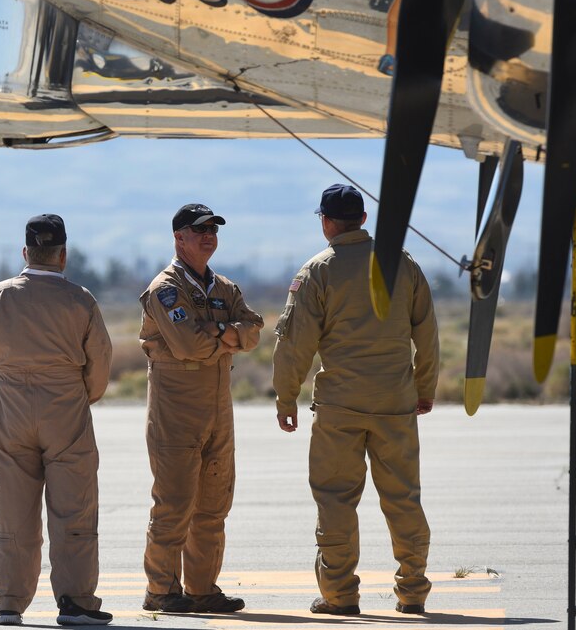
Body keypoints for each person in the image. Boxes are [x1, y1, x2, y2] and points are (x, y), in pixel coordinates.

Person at [272, 184, 439, 616]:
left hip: (340, 407)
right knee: (403, 497)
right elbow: (428, 335)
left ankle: (340, 595)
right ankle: (413, 591)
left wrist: (285, 398)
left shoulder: (318, 270)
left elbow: (296, 344)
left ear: (326, 222)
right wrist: (425, 389)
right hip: (395, 402)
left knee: (335, 499)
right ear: (363, 220)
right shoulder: (402, 264)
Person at [0, 214, 114, 627]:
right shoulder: (80, 300)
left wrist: (11, 390)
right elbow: (100, 365)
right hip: (65, 407)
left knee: (13, 506)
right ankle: (75, 602)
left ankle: (9, 603)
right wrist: (78, 397)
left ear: (25, 252)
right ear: (63, 255)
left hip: (13, 408)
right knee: (73, 508)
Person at [138, 203, 264, 614]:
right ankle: (161, 590)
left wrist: (221, 330)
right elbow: (188, 345)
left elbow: (255, 332)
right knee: (174, 505)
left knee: (212, 506)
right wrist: (229, 337)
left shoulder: (224, 288)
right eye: (199, 229)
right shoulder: (166, 289)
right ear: (179, 238)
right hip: (176, 413)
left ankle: (202, 589)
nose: (209, 234)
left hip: (217, 412)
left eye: (213, 228)